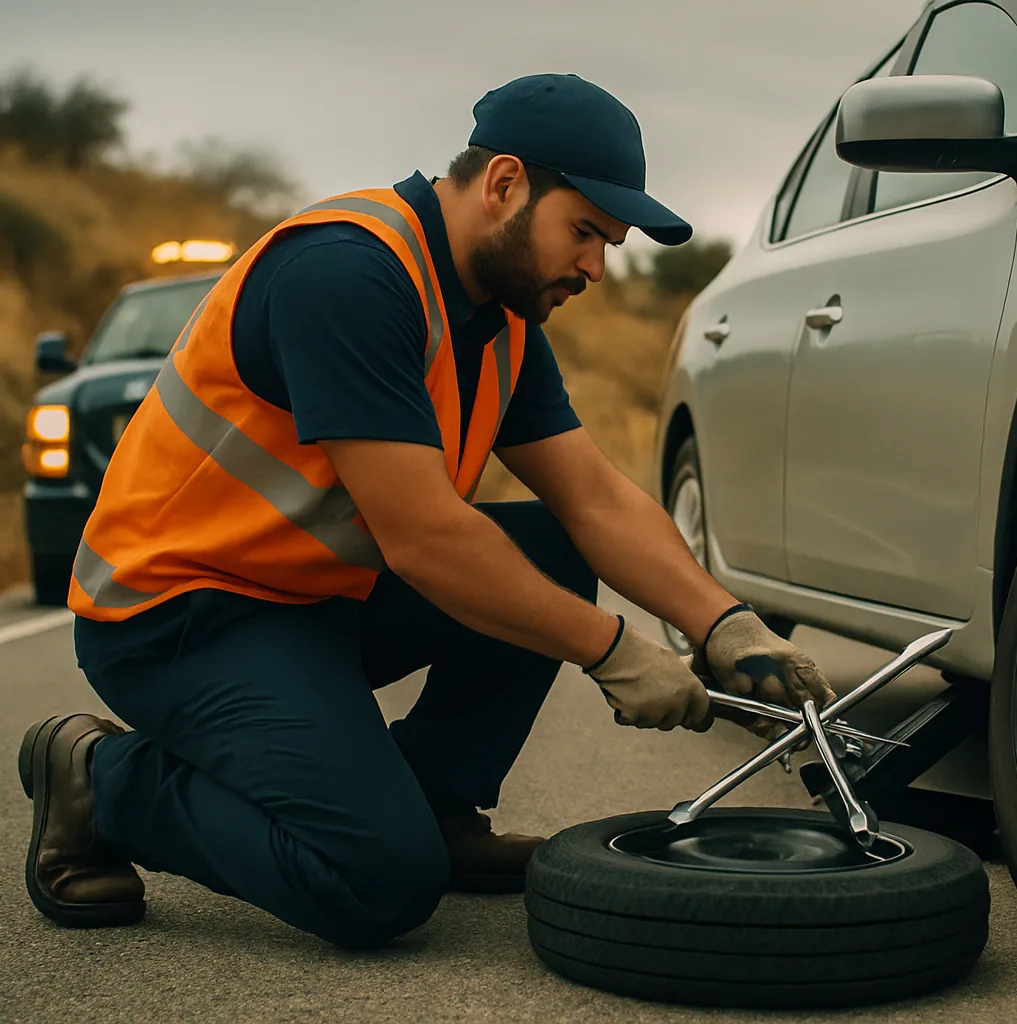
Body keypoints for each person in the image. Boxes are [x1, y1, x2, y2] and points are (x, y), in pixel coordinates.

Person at [19, 73, 835, 950]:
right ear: (505, 185)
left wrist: (726, 625)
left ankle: (435, 803)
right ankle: (100, 780)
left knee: (556, 544)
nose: (596, 268)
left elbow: (593, 497)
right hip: (182, 616)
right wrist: (615, 650)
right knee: (375, 881)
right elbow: (423, 538)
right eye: (588, 232)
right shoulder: (348, 272)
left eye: (612, 244)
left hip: (315, 604)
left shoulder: (502, 317)